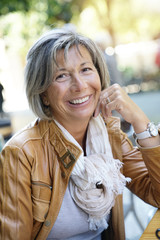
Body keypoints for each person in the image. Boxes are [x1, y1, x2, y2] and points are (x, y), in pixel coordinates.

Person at [0, 28, 160, 240]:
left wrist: (141, 121)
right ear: (43, 94)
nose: (80, 85)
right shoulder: (22, 152)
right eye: (62, 75)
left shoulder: (110, 136)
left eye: (85, 69)